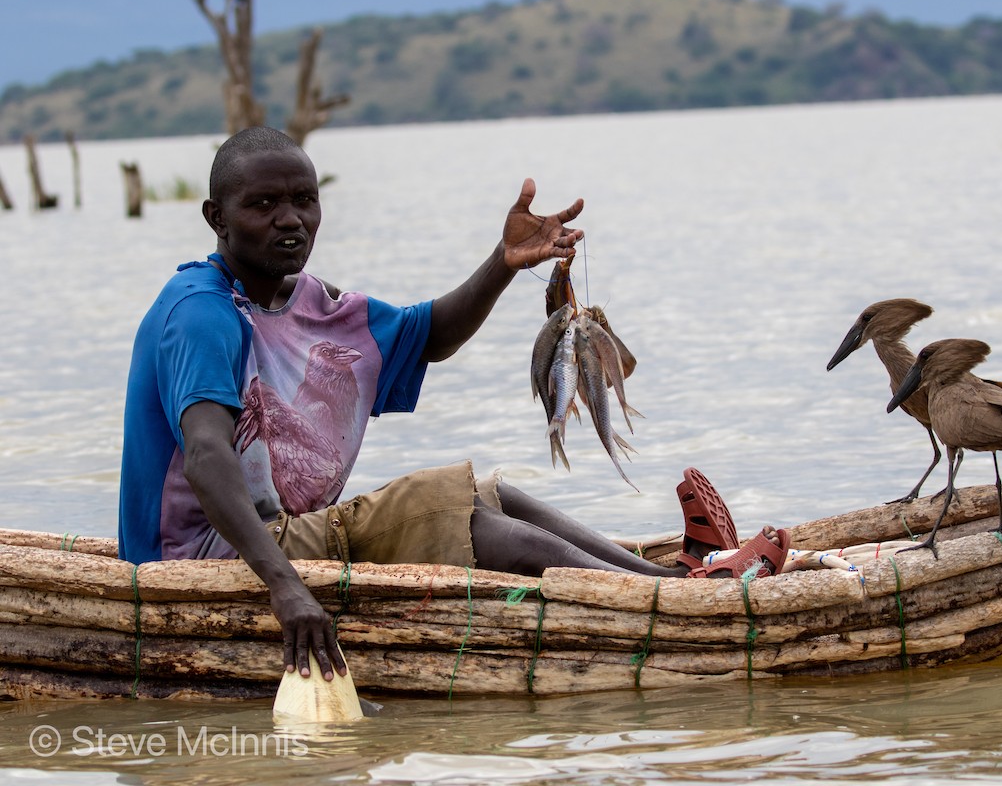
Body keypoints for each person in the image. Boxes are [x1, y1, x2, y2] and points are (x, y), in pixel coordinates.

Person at [118, 126, 788, 683]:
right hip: (202, 556)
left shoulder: (304, 301)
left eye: (303, 200)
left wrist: (504, 262)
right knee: (442, 508)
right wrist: (286, 585)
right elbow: (207, 457)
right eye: (262, 205)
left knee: (495, 495)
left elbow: (425, 335)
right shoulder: (203, 313)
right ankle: (686, 603)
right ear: (217, 218)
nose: (289, 219)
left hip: (280, 532)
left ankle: (669, 576)